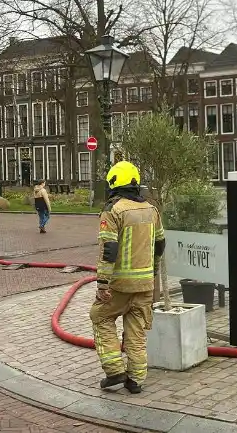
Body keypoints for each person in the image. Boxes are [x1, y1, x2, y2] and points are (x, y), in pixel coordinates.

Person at [89, 160, 164, 395]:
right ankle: (136, 380)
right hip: (144, 284)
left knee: (100, 316)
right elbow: (160, 244)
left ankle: (114, 371)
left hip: (119, 284)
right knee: (137, 330)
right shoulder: (152, 210)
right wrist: (152, 273)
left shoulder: (113, 210)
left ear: (114, 183)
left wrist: (102, 283)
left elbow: (109, 249)